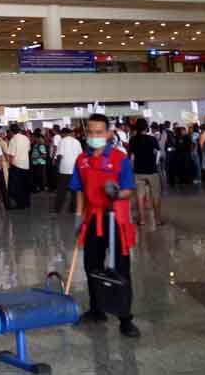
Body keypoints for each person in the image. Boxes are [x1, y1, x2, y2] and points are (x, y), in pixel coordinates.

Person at [71, 113, 140, 338]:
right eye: (90, 132)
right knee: (92, 265)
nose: (94, 136)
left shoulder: (121, 158)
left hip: (116, 218)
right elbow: (80, 190)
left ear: (109, 134)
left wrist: (118, 193)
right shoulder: (81, 159)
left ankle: (125, 318)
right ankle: (97, 309)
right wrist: (78, 216)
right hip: (92, 218)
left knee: (121, 268)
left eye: (99, 132)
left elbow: (129, 188)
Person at [128, 118, 162, 226]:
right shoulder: (152, 139)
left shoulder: (132, 140)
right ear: (147, 127)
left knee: (139, 196)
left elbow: (132, 157)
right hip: (152, 170)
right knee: (155, 195)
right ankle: (157, 220)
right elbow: (158, 153)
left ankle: (142, 220)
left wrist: (132, 168)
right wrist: (155, 163)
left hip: (138, 171)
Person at [53, 127, 83, 214]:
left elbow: (59, 155)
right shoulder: (77, 141)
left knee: (61, 190)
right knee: (74, 190)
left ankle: (57, 208)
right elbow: (80, 156)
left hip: (64, 169)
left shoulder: (62, 141)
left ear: (63, 133)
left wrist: (57, 167)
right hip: (75, 169)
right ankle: (73, 208)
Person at [7, 123, 32, 209]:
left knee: (18, 187)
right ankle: (27, 203)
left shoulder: (13, 140)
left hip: (16, 166)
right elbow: (28, 150)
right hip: (26, 165)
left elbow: (11, 155)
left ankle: (20, 205)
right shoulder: (25, 138)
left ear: (11, 131)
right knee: (26, 185)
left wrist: (10, 166)